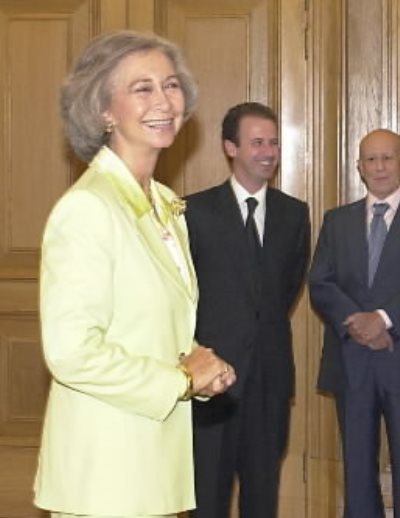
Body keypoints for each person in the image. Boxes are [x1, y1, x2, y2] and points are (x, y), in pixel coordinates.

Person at [34, 30, 236, 518]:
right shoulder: (88, 207)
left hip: (154, 469)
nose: (163, 100)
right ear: (103, 109)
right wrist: (179, 380)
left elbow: (152, 328)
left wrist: (199, 368)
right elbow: (72, 352)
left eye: (170, 85)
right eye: (141, 88)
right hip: (106, 476)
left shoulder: (164, 204)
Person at [185, 102, 311, 518]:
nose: (268, 152)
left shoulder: (295, 215)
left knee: (263, 498)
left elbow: (284, 289)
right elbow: (185, 296)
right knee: (209, 498)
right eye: (257, 142)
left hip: (270, 382)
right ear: (230, 147)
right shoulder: (195, 212)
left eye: (273, 142)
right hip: (211, 385)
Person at [311, 129, 400, 517]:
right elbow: (320, 281)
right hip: (352, 360)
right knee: (357, 467)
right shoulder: (337, 220)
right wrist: (358, 324)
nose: (379, 167)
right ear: (359, 168)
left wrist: (385, 320)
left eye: (388, 158)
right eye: (371, 159)